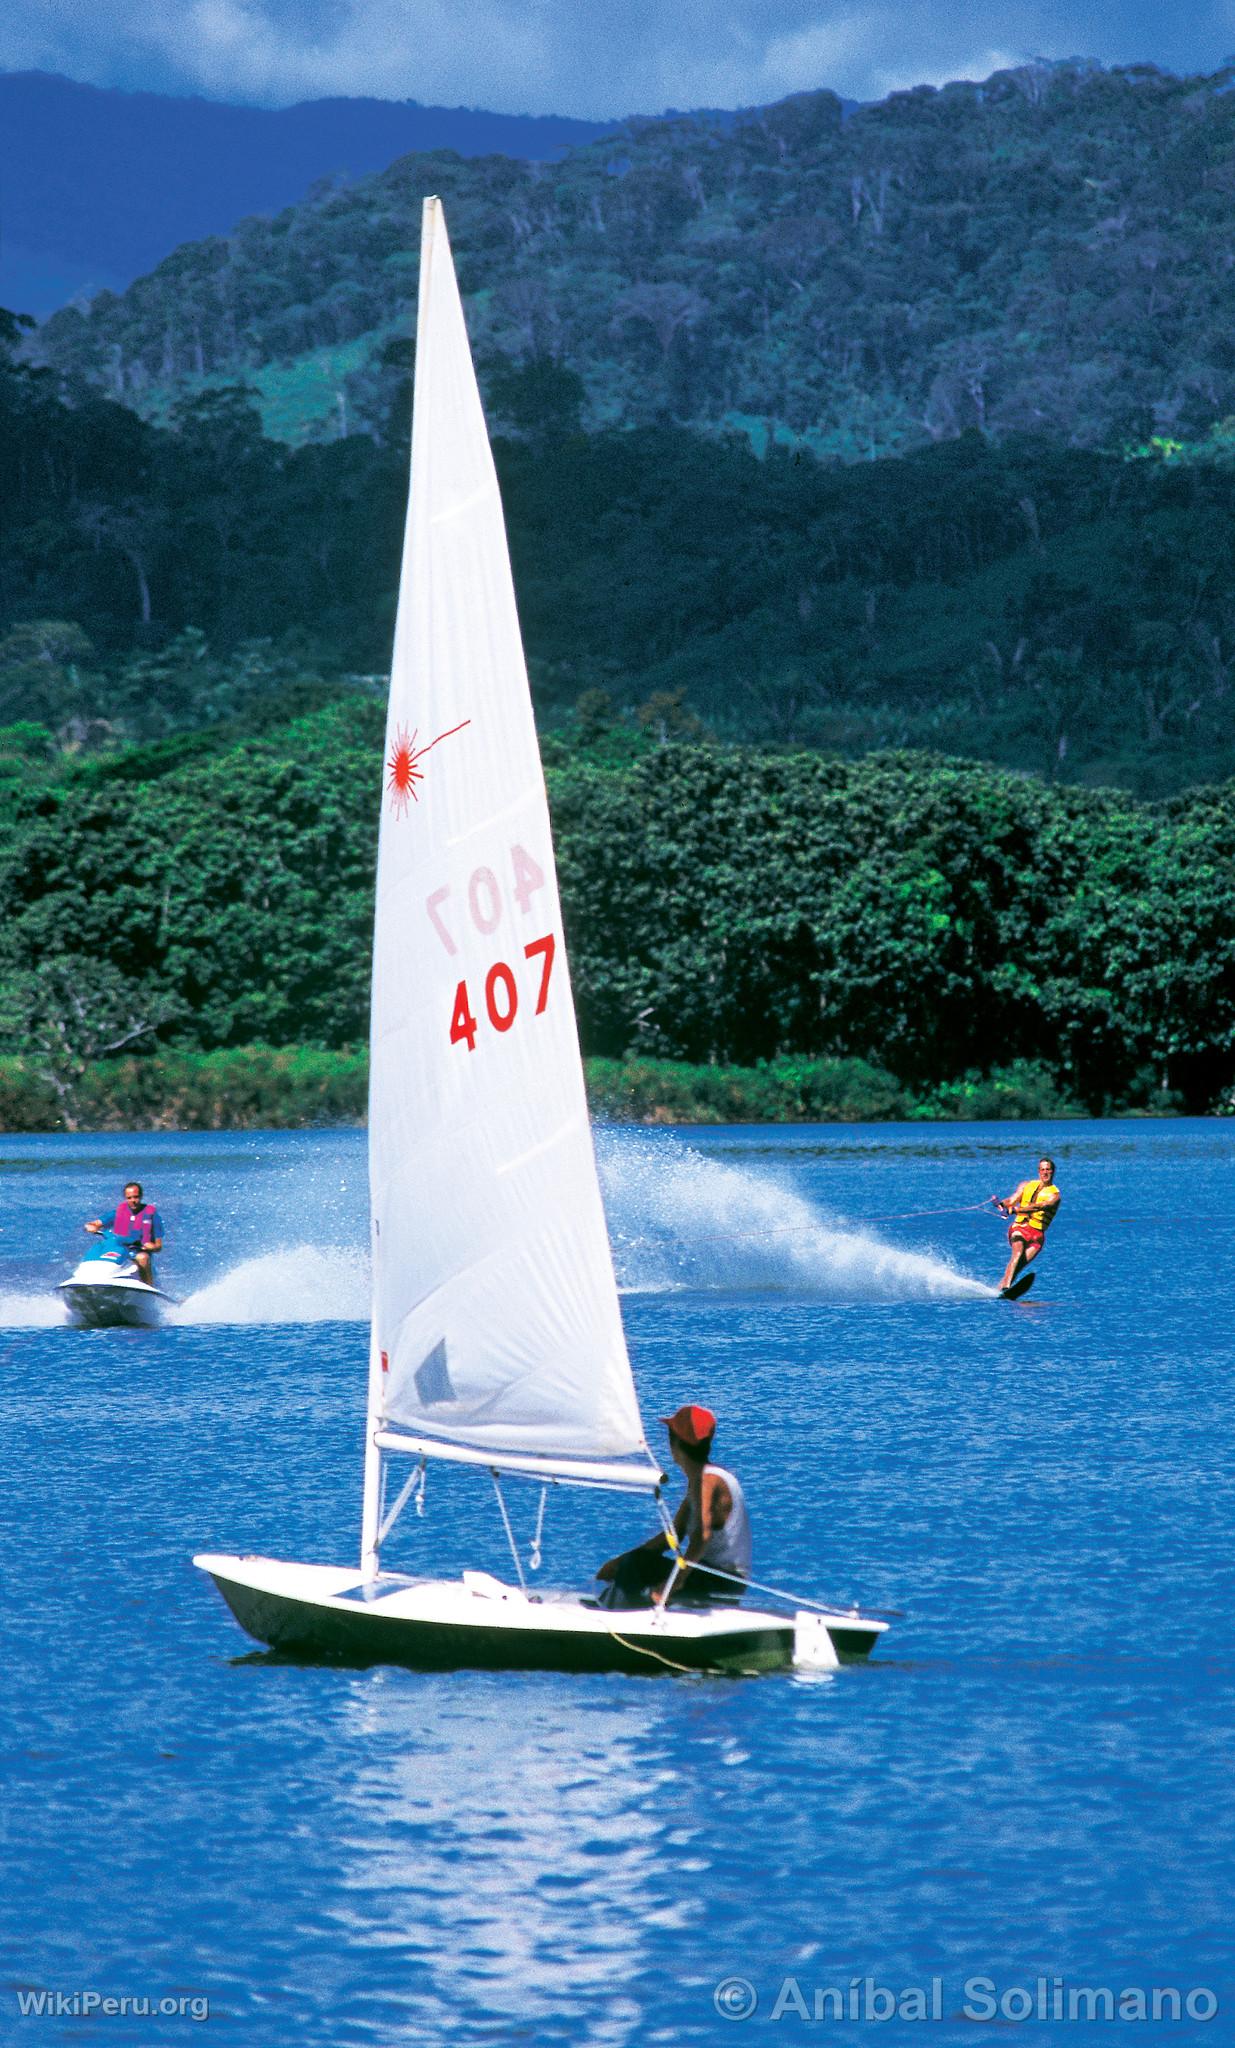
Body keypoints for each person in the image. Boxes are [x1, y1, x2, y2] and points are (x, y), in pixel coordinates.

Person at [595, 1404, 752, 1610]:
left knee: (636, 1565)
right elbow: (673, 1536)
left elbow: (701, 1537)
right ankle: (618, 1606)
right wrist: (618, 1563)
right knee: (635, 1561)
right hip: (719, 1580)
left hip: (721, 1583)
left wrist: (672, 1584)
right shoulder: (703, 1479)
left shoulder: (707, 1481)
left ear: (674, 1444)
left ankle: (615, 1616)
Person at [992, 1157, 1060, 1293]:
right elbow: (1012, 1200)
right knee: (1017, 1253)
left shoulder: (1055, 1196)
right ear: (1038, 1171)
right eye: (1042, 1170)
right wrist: (1002, 1204)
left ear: (1053, 1172)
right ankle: (1006, 1287)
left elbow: (1039, 1207)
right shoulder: (1025, 1185)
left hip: (1038, 1236)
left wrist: (1016, 1210)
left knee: (1019, 1265)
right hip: (1020, 1228)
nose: (1045, 1173)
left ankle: (999, 1290)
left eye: (1048, 1170)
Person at [85, 1180, 164, 1288]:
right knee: (97, 1250)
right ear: (125, 1198)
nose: (133, 1201)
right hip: (118, 1249)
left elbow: (159, 1246)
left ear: (141, 1196)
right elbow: (95, 1223)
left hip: (137, 1250)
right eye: (129, 1198)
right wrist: (91, 1226)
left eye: (136, 1197)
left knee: (143, 1258)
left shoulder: (151, 1216)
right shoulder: (118, 1213)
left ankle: (149, 1288)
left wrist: (152, 1246)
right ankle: (86, 1277)